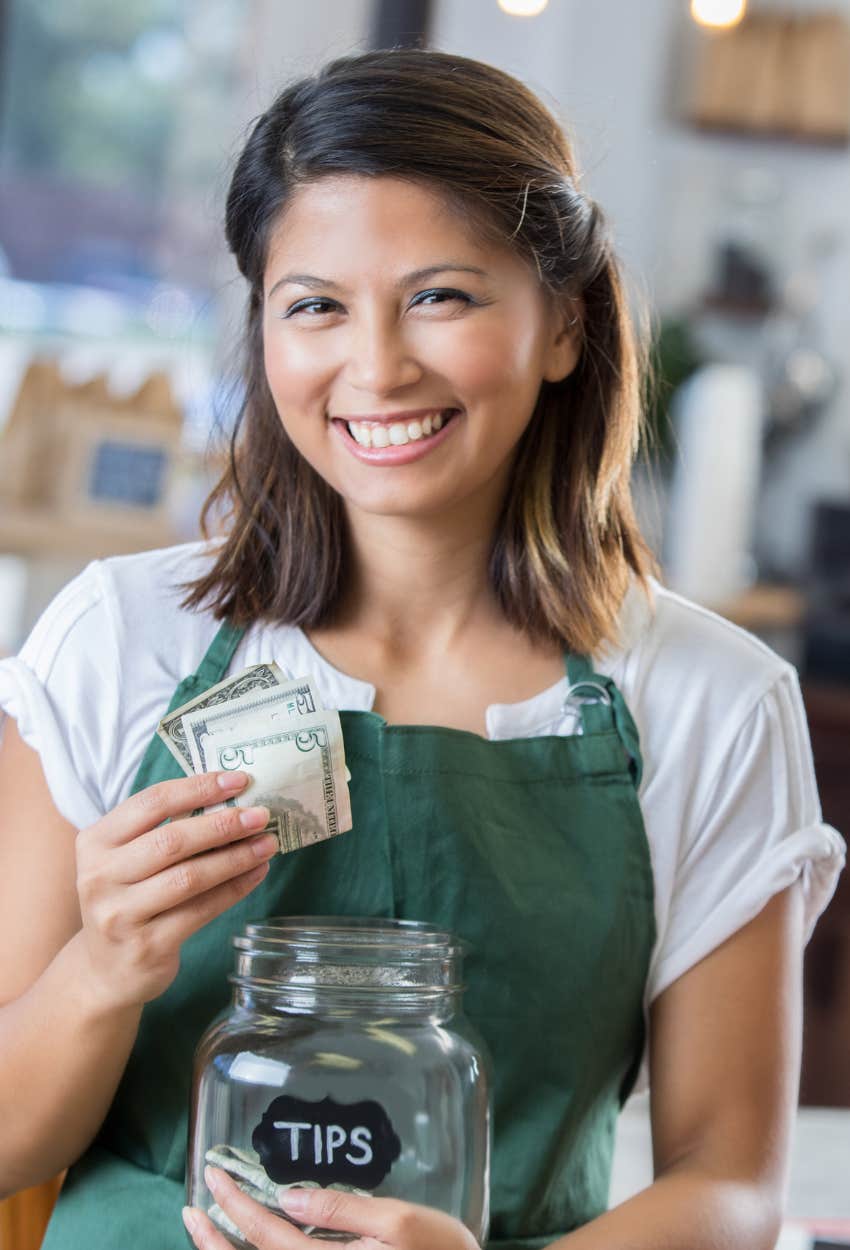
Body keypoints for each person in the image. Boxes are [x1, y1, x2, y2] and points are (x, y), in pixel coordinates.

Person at [0, 46, 844, 1250]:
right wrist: (103, 963)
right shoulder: (119, 638)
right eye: (315, 305)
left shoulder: (708, 698)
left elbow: (730, 1185)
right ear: (264, 327)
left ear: (562, 323)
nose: (377, 364)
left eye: (442, 295)